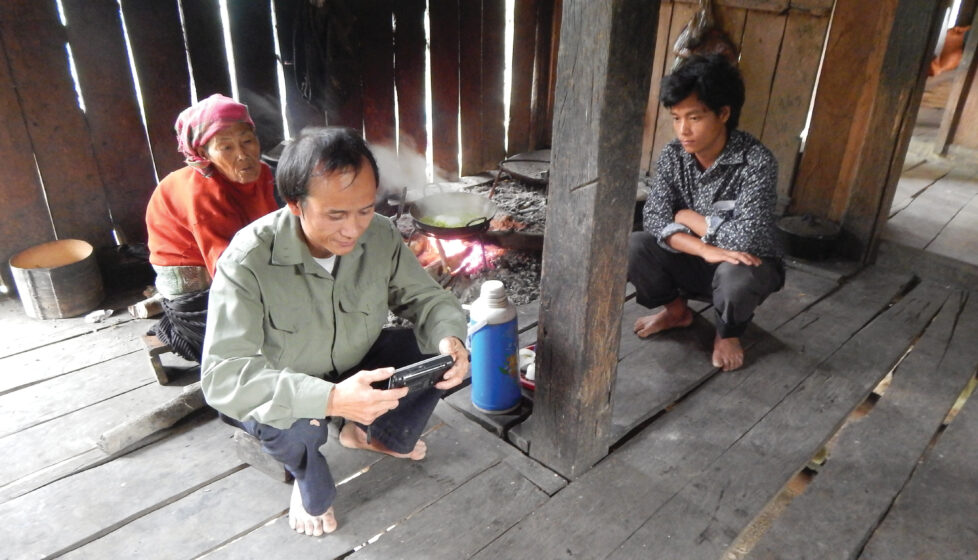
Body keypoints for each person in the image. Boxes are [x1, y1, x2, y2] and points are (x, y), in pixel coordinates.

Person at [200, 127, 470, 537]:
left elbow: (426, 299)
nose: (353, 229)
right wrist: (330, 399)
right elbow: (223, 376)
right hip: (289, 385)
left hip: (354, 362)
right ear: (295, 204)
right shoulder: (248, 260)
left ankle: (361, 431)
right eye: (336, 215)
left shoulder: (380, 234)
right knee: (296, 428)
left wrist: (450, 338)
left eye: (364, 209)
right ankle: (305, 469)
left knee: (440, 356)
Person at [628, 54, 784, 372]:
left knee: (736, 276)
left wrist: (688, 217)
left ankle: (728, 334)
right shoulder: (674, 155)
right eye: (676, 118)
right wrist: (703, 248)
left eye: (694, 118)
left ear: (723, 113)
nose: (683, 130)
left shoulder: (756, 162)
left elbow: (745, 238)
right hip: (694, 256)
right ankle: (676, 312)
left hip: (746, 264)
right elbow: (654, 217)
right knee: (633, 246)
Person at [145, 93, 278, 362]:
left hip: (244, 269)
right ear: (204, 154)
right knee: (262, 342)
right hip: (200, 294)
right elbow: (227, 271)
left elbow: (273, 231)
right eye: (226, 147)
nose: (243, 155)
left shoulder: (263, 174)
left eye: (247, 141)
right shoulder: (201, 193)